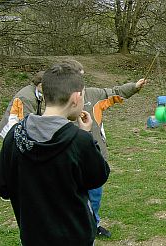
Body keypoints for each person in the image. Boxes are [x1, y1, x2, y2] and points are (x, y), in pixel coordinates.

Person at [0, 63, 110, 245]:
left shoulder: (14, 135)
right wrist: (88, 135)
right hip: (75, 238)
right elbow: (98, 177)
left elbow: (3, 187)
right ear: (76, 97)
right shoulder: (79, 141)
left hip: (32, 237)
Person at [61, 60, 147, 238]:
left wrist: (134, 87)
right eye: (79, 78)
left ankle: (94, 223)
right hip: (69, 161)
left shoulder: (93, 95)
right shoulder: (58, 101)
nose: (82, 83)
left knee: (94, 195)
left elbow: (114, 93)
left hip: (94, 157)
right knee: (71, 197)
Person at [0, 71, 45, 139]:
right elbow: (27, 122)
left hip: (18, 128)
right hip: (11, 131)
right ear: (40, 85)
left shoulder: (35, 92)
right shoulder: (27, 98)